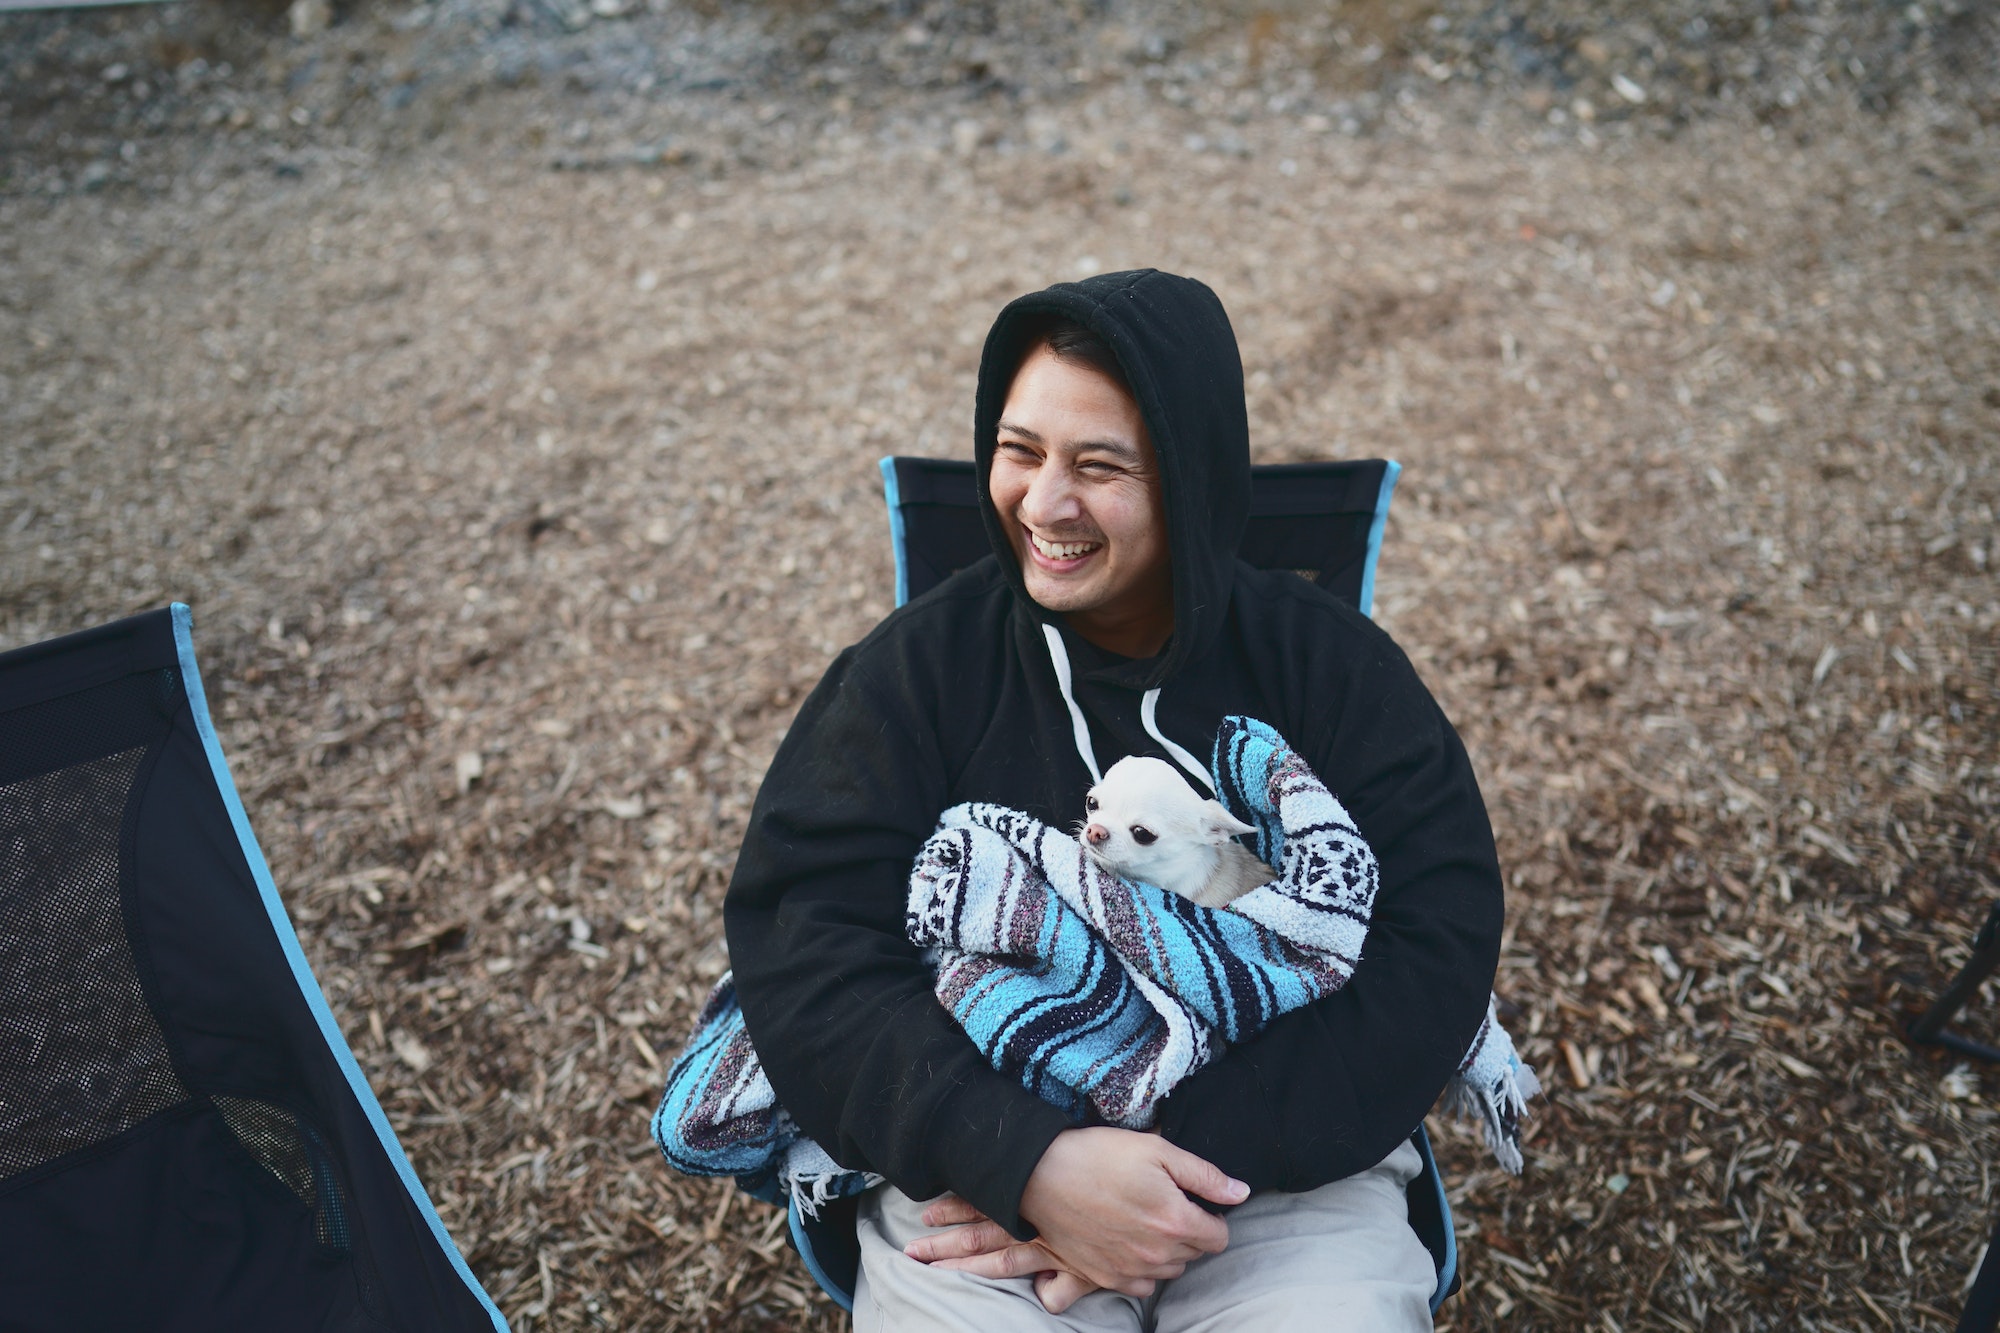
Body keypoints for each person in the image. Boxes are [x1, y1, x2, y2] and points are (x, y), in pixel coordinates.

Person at [723, 269, 1503, 1330]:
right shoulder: (914, 673)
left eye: (1099, 466)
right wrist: (1030, 1164)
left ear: (1186, 478)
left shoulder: (1326, 669)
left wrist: (1170, 1166)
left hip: (1278, 1162)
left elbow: (1433, 940)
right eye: (1018, 451)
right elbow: (803, 935)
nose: (1045, 503)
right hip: (973, 1168)